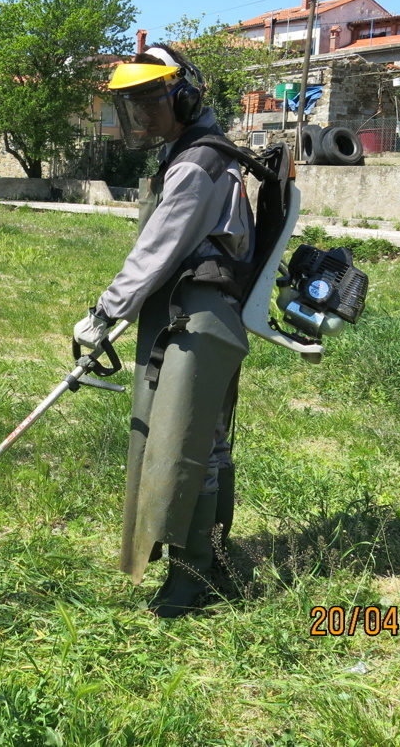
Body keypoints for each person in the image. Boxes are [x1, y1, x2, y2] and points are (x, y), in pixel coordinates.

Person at [73, 44, 253, 618]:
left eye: (151, 101)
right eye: (133, 107)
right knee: (205, 445)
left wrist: (104, 315)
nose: (142, 116)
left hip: (198, 317)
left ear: (186, 96)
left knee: (184, 446)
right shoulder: (189, 154)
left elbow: (156, 251)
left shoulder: (198, 163)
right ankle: (213, 563)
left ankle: (192, 577)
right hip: (186, 313)